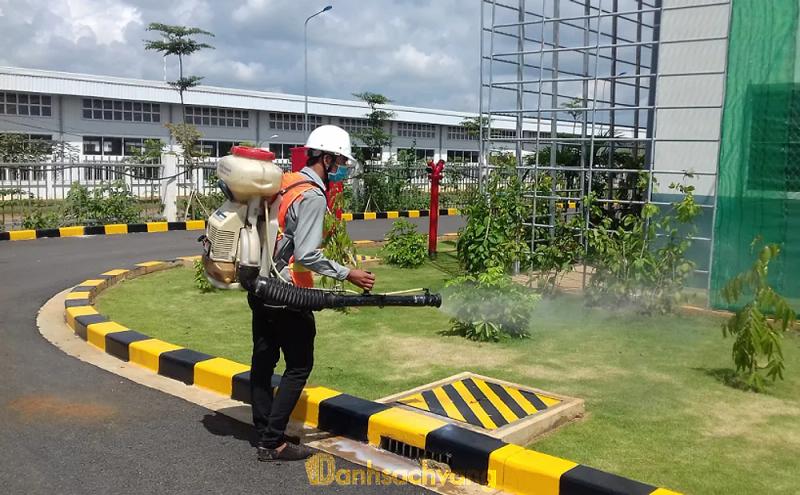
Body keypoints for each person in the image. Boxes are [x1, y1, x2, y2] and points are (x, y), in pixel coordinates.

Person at [249, 125, 375, 462]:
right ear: (328, 158)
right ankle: (272, 442)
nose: (343, 168)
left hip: (260, 287)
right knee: (299, 365)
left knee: (263, 359)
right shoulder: (313, 196)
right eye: (340, 160)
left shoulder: (286, 182)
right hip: (288, 294)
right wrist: (349, 273)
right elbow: (306, 256)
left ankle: (263, 429)